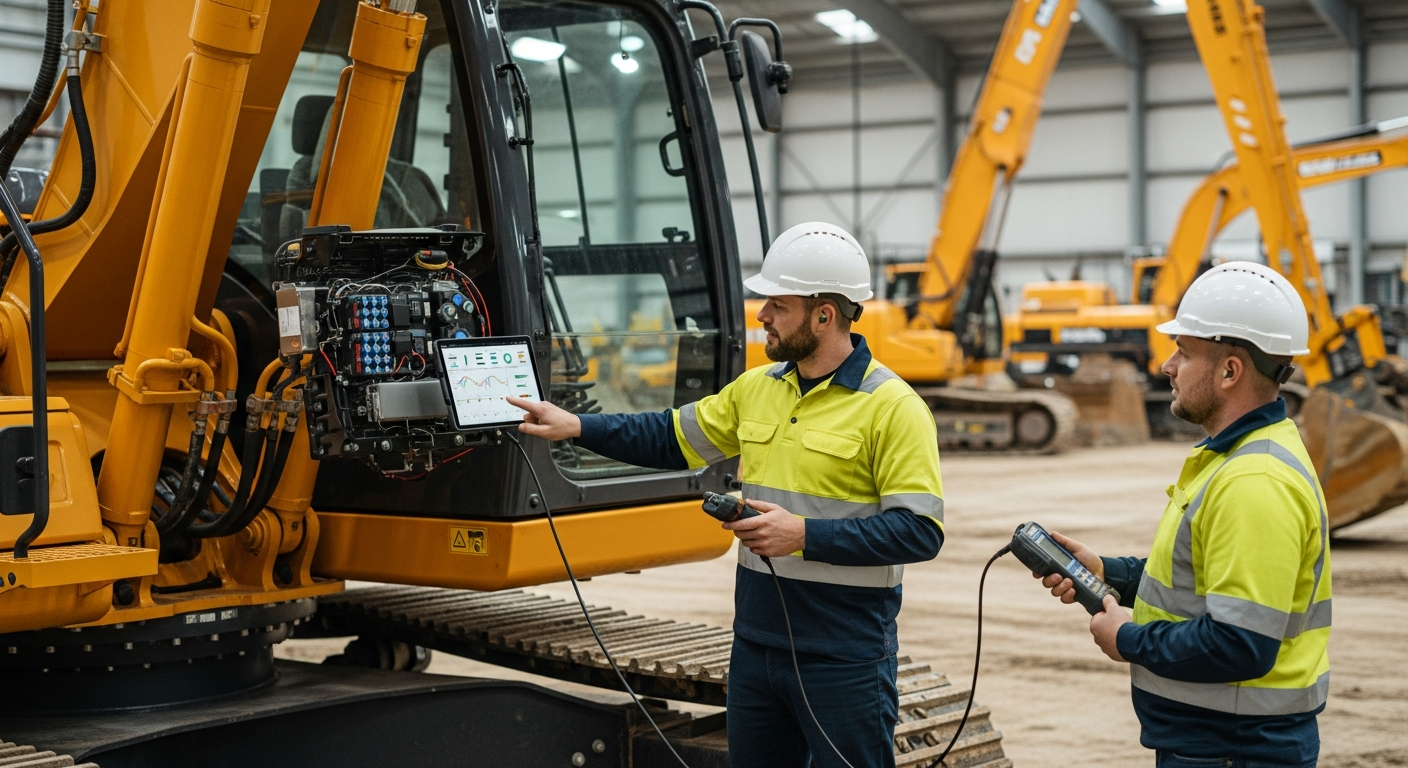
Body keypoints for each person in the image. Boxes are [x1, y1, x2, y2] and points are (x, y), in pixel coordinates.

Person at [509, 222, 945, 768]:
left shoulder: (894, 408)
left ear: (824, 315)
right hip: (756, 646)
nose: (762, 315)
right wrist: (577, 426)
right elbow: (669, 436)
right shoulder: (757, 388)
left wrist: (801, 535)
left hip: (845, 656)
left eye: (777, 305)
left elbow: (919, 531)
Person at [1039, 262, 1332, 767]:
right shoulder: (1235, 456)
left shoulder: (1254, 480)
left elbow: (1240, 643)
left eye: (1184, 352)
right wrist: (1111, 573)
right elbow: (1199, 585)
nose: (1167, 366)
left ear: (1230, 371)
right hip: (1220, 744)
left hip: (1233, 750)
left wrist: (1128, 638)